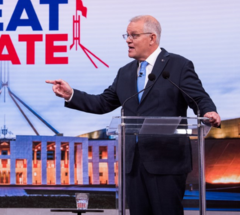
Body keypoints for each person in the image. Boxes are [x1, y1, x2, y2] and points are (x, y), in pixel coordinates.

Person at [46, 15, 220, 215]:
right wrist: (71, 95)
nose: (128, 40)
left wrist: (208, 111)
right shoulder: (125, 72)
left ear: (152, 38)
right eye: (127, 35)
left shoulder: (178, 66)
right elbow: (103, 103)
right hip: (133, 163)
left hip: (166, 161)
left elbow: (198, 97)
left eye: (134, 35)